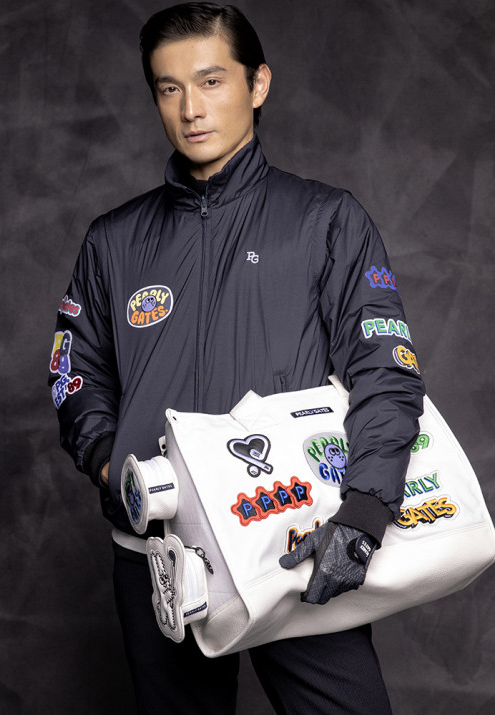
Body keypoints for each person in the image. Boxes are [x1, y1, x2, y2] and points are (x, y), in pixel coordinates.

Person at [48, 3, 424, 713]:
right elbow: (75, 370)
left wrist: (365, 512)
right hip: (159, 556)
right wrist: (109, 460)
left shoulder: (326, 220)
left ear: (258, 84)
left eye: (211, 81)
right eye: (169, 88)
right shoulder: (113, 241)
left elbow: (386, 372)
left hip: (297, 540)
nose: (191, 108)